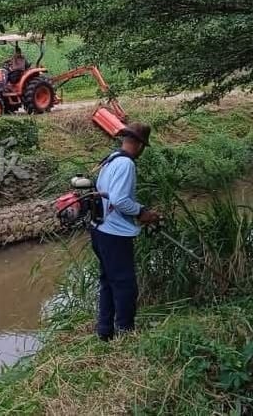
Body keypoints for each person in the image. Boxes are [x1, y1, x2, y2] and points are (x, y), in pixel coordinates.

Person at [90, 122, 160, 341]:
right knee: (125, 284)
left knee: (108, 281)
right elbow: (120, 200)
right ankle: (125, 332)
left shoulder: (110, 159)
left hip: (98, 229)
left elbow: (106, 194)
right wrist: (142, 212)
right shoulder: (126, 164)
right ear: (139, 145)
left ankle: (105, 332)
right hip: (115, 234)